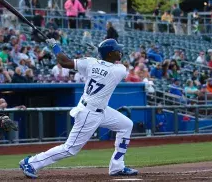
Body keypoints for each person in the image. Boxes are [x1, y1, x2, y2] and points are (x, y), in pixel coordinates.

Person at [19, 38, 138, 178]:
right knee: (70, 149)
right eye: (117, 50)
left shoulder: (90, 62)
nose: (120, 51)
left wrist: (55, 46)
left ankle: (117, 167)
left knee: (126, 125)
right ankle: (31, 162)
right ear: (110, 54)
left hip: (101, 109)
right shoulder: (119, 70)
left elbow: (64, 62)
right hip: (89, 113)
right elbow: (108, 67)